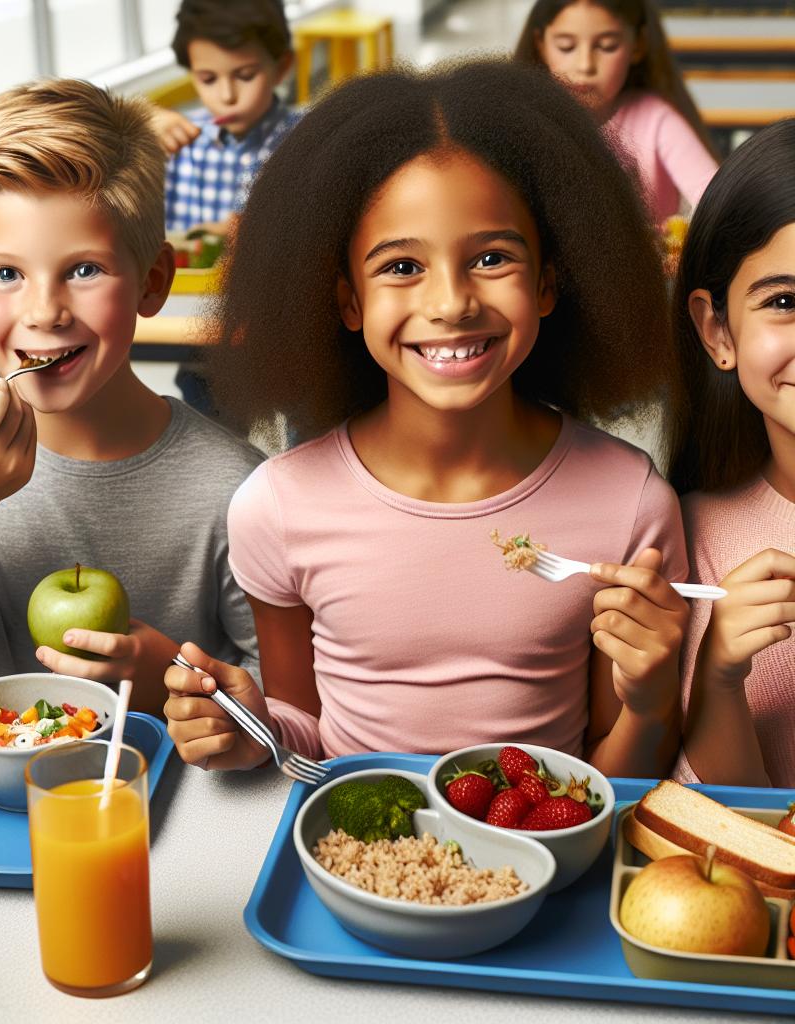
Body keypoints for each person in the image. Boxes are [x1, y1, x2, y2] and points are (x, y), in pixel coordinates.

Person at [164, 59, 692, 779]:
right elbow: (305, 733)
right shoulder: (278, 507)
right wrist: (248, 722)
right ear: (347, 301)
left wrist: (654, 701)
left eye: (492, 257)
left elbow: (619, 778)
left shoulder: (630, 506)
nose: (451, 303)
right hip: (354, 863)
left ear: (548, 284)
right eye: (401, 267)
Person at [0, 80, 262, 716]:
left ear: (153, 281)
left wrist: (167, 680)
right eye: (5, 273)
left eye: (84, 269)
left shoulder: (234, 486)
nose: (44, 312)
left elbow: (288, 706)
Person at [669, 119, 795, 788]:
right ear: (718, 329)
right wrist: (719, 675)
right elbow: (731, 824)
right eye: (785, 302)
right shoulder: (690, 537)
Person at [514, 0, 718, 225]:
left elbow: (719, 203)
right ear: (540, 44)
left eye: (607, 46)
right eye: (566, 47)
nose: (585, 65)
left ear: (638, 46)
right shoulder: (525, 124)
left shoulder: (655, 119)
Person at [158, 0, 300, 236]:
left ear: (282, 67)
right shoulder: (177, 138)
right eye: (208, 79)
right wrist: (139, 122)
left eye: (245, 76)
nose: (227, 96)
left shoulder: (307, 140)